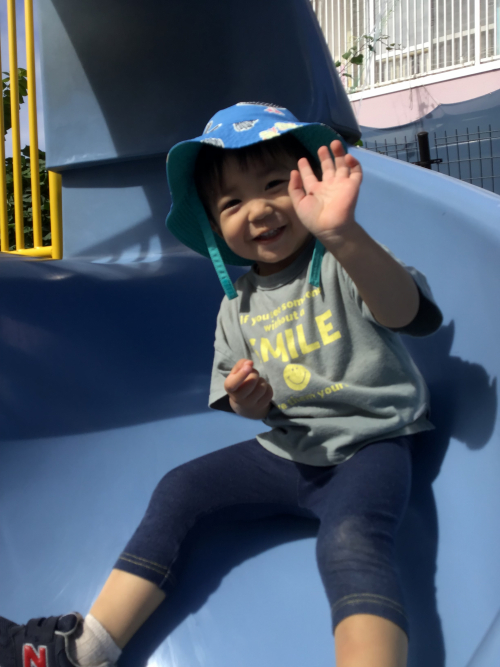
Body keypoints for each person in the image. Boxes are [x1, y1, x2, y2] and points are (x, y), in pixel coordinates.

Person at [0, 102, 442, 667]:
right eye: (232, 202)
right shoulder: (237, 306)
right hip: (289, 452)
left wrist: (343, 233)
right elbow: (243, 403)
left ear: (309, 183)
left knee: (351, 541)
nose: (258, 210)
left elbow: (408, 314)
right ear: (213, 226)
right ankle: (87, 649)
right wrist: (246, 400)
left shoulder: (343, 260)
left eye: (275, 185)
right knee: (180, 489)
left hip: (370, 445)